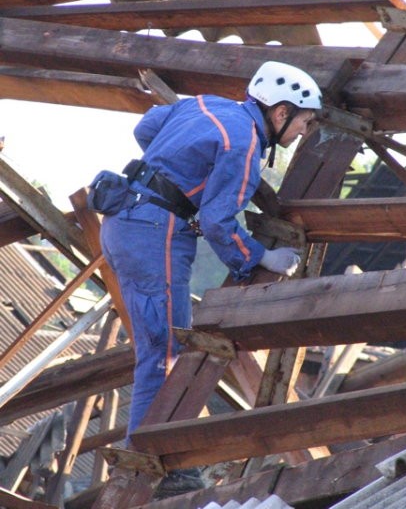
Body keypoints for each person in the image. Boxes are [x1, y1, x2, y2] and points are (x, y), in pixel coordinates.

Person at [99, 60, 322, 496]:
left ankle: (153, 456)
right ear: (280, 113)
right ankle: (153, 464)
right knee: (164, 351)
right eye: (304, 122)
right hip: (155, 234)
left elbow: (147, 127)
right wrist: (260, 258)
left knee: (156, 346)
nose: (302, 133)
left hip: (121, 220)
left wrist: (179, 172)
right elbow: (219, 222)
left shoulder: (206, 104)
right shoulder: (244, 145)